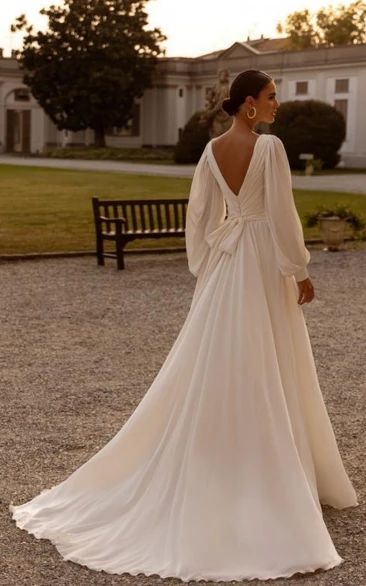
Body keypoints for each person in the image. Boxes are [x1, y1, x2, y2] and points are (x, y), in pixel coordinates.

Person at [10, 69, 358, 583]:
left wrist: (208, 261)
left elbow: (200, 215)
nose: (277, 105)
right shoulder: (271, 149)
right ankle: (273, 478)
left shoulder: (213, 150)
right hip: (261, 261)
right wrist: (299, 269)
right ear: (249, 106)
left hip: (228, 263)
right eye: (270, 98)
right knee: (272, 355)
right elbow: (283, 215)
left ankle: (226, 466)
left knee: (221, 359)